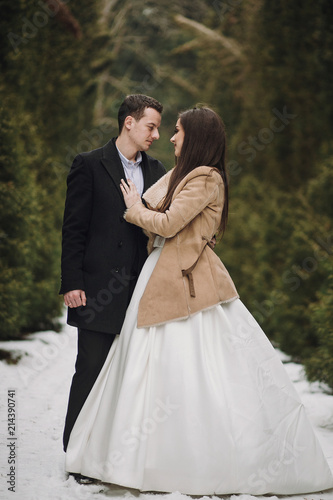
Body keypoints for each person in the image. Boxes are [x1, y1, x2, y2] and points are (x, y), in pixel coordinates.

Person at [65, 107, 333, 495]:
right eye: (164, 129)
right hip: (160, 278)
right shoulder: (183, 174)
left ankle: (188, 462)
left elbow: (170, 224)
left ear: (197, 136)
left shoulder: (206, 178)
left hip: (182, 283)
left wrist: (136, 210)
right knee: (145, 369)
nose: (170, 137)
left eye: (176, 131)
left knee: (189, 372)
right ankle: (132, 454)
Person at [60, 94, 166, 457]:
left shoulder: (158, 171)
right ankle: (75, 451)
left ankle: (113, 455)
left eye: (158, 129)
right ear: (129, 123)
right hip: (96, 288)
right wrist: (72, 281)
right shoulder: (89, 164)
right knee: (90, 368)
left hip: (140, 291)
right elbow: (74, 228)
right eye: (151, 126)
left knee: (128, 375)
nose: (155, 135)